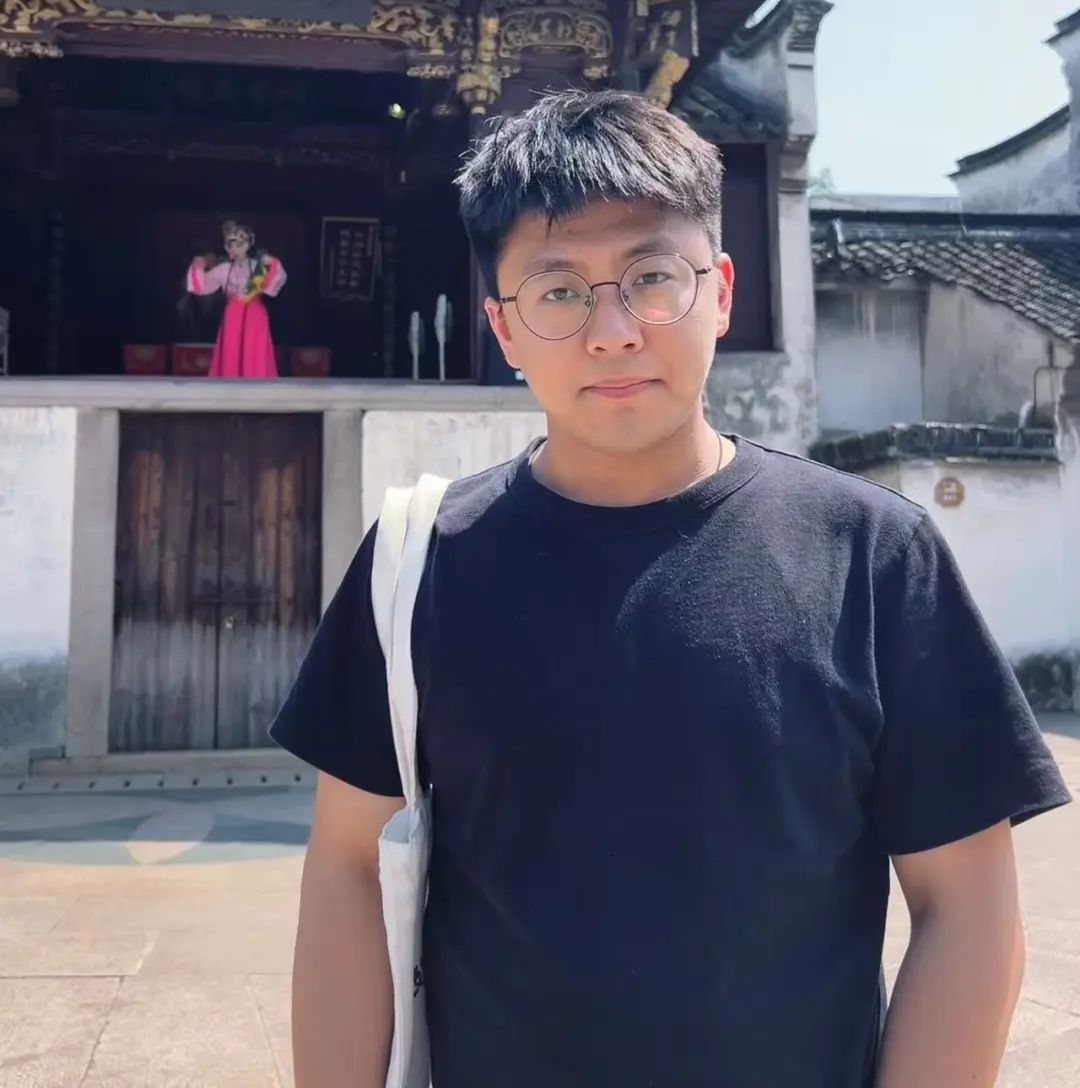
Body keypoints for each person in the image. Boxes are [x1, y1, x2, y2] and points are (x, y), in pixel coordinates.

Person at [272, 89, 1070, 1088]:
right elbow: (347, 868)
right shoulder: (421, 562)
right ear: (503, 329)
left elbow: (968, 905)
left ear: (721, 291)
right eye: (558, 291)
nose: (612, 331)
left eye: (652, 277)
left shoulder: (873, 558)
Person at [186, 219, 285, 378]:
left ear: (248, 244)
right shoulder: (224, 269)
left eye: (239, 244)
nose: (235, 249)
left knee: (254, 352)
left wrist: (273, 263)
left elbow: (272, 283)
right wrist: (200, 263)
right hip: (232, 315)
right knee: (231, 351)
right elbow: (201, 286)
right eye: (231, 245)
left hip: (255, 315)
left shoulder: (258, 266)